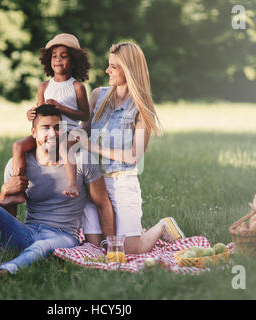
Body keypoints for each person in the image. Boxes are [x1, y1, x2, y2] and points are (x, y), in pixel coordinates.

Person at [0, 105, 115, 276]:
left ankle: (3, 272)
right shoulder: (16, 165)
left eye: (57, 127)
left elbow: (103, 203)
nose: (52, 133)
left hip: (63, 236)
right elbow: (9, 219)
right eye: (45, 128)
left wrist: (112, 247)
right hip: (27, 232)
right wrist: (5, 191)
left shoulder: (82, 159)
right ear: (33, 132)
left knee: (42, 246)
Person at [72, 42, 185, 254]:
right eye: (109, 65)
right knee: (94, 248)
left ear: (129, 70)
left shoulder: (141, 108)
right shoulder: (98, 95)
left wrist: (92, 147)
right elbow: (82, 130)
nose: (107, 70)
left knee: (130, 250)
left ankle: (162, 226)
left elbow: (134, 156)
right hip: (94, 184)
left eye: (114, 67)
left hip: (122, 183)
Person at [11, 33, 90, 201]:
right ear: (49, 60)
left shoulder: (77, 87)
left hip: (72, 131)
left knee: (63, 146)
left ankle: (72, 183)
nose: (58, 60)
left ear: (74, 60)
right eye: (54, 56)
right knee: (18, 146)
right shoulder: (44, 86)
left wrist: (61, 107)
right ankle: (17, 187)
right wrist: (31, 114)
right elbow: (40, 114)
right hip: (49, 131)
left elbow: (85, 115)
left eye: (63, 56)